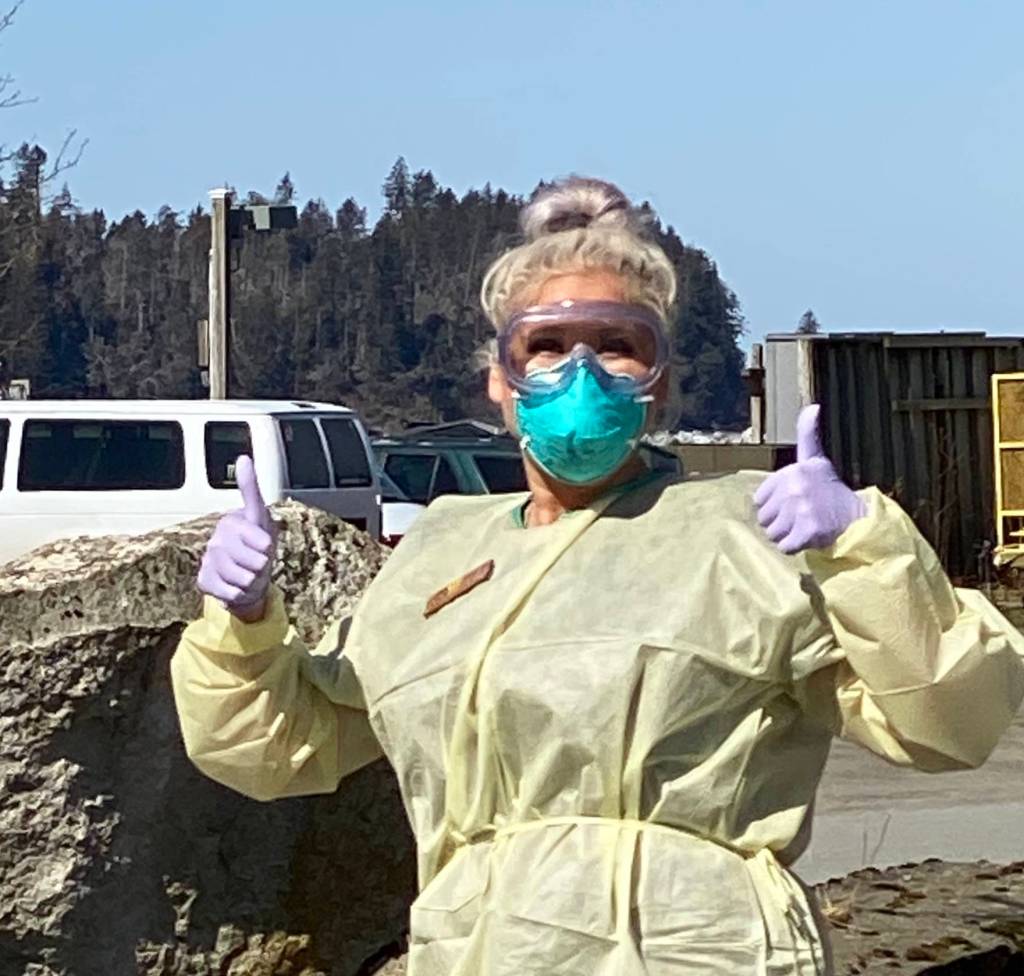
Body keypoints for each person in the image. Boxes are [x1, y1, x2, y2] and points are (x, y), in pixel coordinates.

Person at [171, 177, 1024, 976]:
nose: (580, 372)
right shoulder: (438, 557)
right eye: (545, 345)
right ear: (499, 382)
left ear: (659, 387)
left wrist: (864, 549)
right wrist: (241, 624)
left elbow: (949, 724)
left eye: (618, 346)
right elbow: (273, 751)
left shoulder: (745, 536)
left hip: (700, 952)